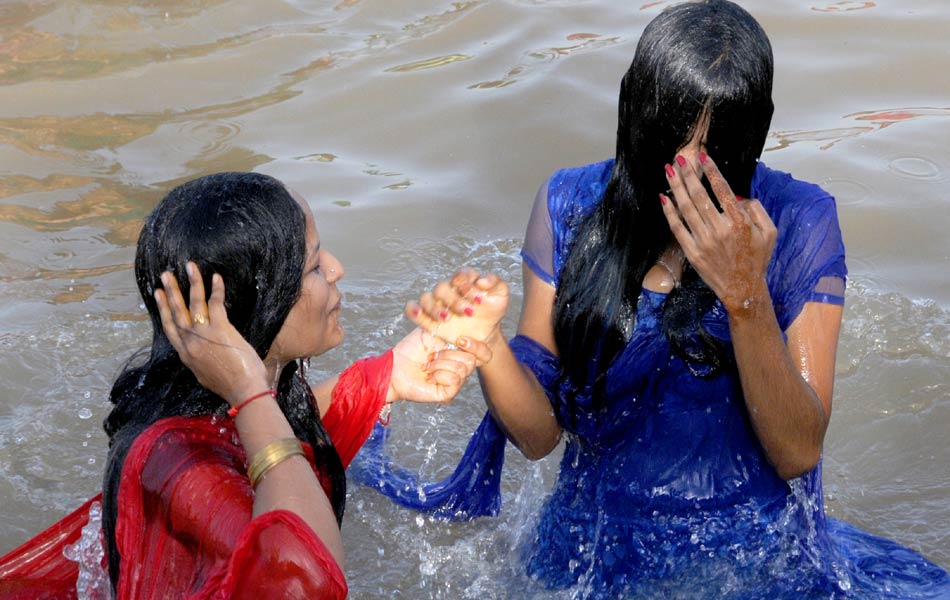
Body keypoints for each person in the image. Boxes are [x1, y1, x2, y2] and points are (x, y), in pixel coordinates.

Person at [358, 1, 950, 597]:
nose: (687, 168)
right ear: (634, 112)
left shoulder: (798, 220)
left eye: (716, 149)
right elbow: (539, 438)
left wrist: (745, 297)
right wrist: (487, 346)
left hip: (752, 566)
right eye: (670, 140)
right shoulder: (568, 204)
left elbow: (798, 450)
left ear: (755, 135)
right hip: (587, 557)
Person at [0, 171, 490, 599]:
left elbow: (260, 439)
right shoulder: (182, 467)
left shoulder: (220, 410)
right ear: (259, 306)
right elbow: (306, 571)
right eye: (315, 265)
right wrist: (249, 390)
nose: (338, 270)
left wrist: (389, 377)